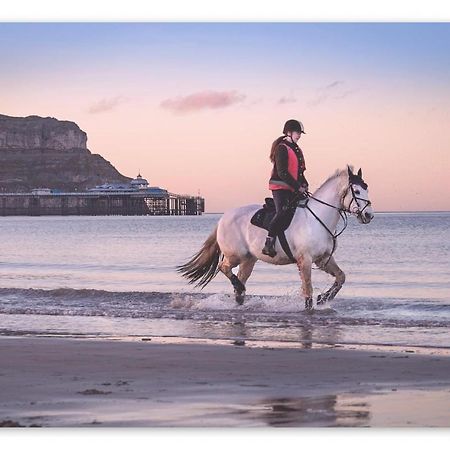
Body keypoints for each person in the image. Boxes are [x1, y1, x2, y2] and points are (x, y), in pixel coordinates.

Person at [262, 119, 309, 257]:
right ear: (289, 133)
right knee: (282, 212)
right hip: (280, 186)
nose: (299, 135)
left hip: (293, 188)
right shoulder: (282, 148)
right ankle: (269, 242)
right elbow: (282, 172)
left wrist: (304, 184)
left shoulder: (296, 149)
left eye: (300, 133)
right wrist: (297, 186)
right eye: (297, 132)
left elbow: (300, 172)